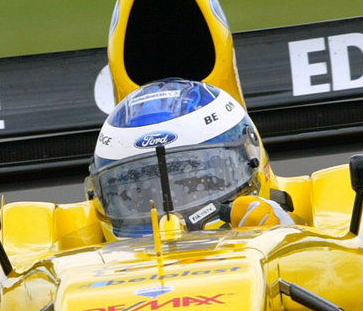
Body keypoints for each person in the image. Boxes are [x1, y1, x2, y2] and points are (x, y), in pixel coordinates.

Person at [88, 78, 293, 238]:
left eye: (197, 183)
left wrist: (285, 232)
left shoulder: (310, 200)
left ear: (253, 158)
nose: (170, 225)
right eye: (137, 194)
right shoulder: (77, 227)